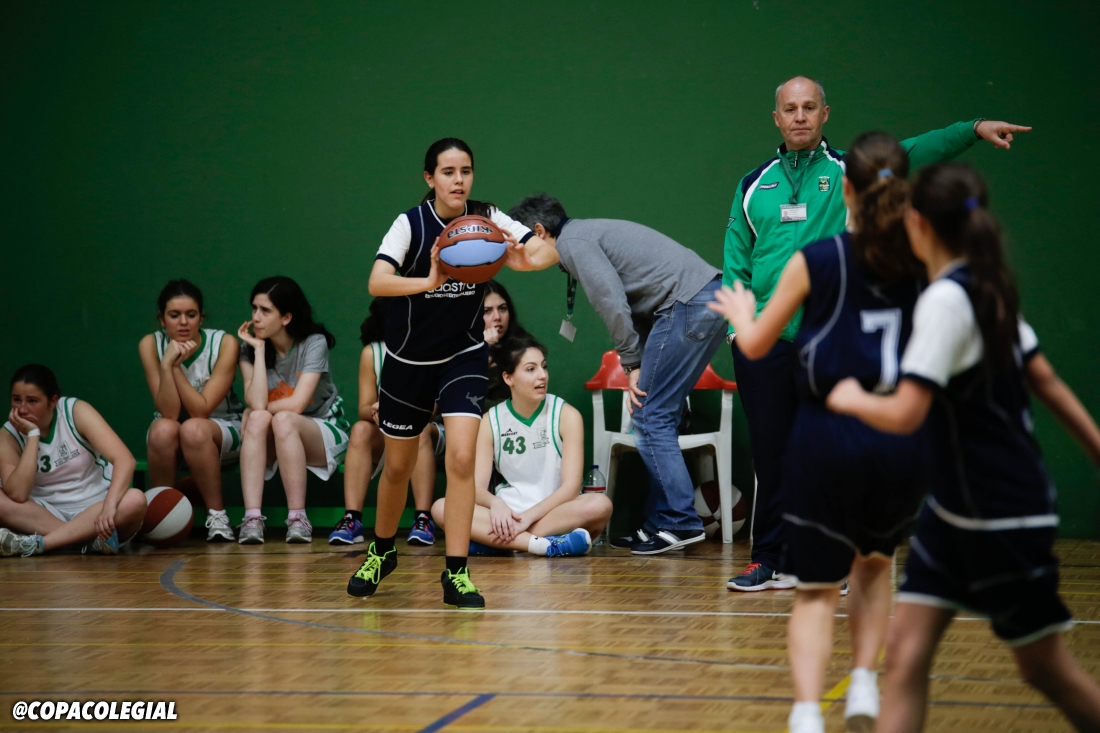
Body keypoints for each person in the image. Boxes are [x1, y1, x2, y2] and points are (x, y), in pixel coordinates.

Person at [723, 75, 1034, 591]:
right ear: (776, 118)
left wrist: (972, 128)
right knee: (772, 456)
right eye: (790, 109)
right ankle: (770, 558)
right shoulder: (754, 184)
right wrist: (740, 331)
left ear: (825, 114)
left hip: (828, 340)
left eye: (809, 107)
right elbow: (736, 260)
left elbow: (912, 151)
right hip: (766, 344)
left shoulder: (851, 172)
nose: (799, 116)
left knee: (837, 455)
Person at [826, 162, 1100, 732]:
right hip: (954, 513)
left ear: (918, 223)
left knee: (1045, 668)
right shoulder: (985, 284)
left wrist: (851, 397)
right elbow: (1047, 382)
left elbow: (906, 412)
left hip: (1001, 513)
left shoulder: (947, 301)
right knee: (904, 656)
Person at [709, 133, 926, 733]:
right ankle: (863, 681)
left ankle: (807, 712)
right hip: (896, 443)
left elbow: (757, 343)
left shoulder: (818, 260)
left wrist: (741, 316)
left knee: (814, 591)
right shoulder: (925, 260)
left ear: (846, 189)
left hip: (827, 439)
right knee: (874, 568)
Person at [345, 137, 553, 609]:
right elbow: (377, 281)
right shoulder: (410, 224)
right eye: (448, 172)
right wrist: (430, 280)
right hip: (408, 362)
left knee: (460, 460)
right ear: (430, 178)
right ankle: (382, 551)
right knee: (397, 467)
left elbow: (544, 254)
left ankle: (457, 572)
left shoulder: (487, 218)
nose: (459, 180)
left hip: (463, 357)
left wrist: (515, 256)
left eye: (466, 171)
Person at [507, 194, 725, 555]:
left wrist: (632, 364)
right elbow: (640, 304)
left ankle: (681, 522)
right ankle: (661, 523)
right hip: (704, 299)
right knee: (658, 415)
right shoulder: (584, 235)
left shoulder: (574, 243)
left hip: (689, 303)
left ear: (539, 232)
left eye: (520, 242)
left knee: (650, 415)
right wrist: (639, 364)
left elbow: (612, 303)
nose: (517, 254)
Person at [432, 336, 611, 557]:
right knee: (442, 507)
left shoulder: (567, 415)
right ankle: (542, 545)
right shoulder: (490, 421)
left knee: (600, 505)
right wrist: (496, 504)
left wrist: (527, 518)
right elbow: (475, 488)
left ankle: (497, 543)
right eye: (531, 369)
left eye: (544, 366)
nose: (542, 375)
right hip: (507, 515)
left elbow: (571, 488)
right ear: (508, 378)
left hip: (554, 513)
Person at [236, 276, 350, 544]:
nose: (256, 317)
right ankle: (252, 518)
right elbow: (257, 403)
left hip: (323, 427)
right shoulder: (248, 348)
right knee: (259, 419)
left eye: (265, 311)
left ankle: (298, 518)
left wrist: (256, 409)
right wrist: (259, 351)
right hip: (279, 430)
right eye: (254, 308)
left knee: (280, 419)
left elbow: (297, 404)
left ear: (286, 317)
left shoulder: (314, 342)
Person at [0, 364, 147, 556]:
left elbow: (125, 460)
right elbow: (18, 494)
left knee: (135, 500)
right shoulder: (8, 434)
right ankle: (85, 542)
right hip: (46, 513)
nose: (22, 409)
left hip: (96, 509)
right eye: (16, 399)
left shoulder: (75, 411)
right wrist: (33, 436)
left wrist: (109, 507)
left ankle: (40, 544)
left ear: (53, 401)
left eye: (32, 401)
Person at [328, 298, 440, 546]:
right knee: (360, 430)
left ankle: (423, 518)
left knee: (419, 430)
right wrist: (379, 411)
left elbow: (431, 409)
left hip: (423, 428)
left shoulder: (430, 347)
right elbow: (364, 408)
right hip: (386, 428)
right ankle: (352, 518)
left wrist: (399, 410)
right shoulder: (373, 352)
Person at [139, 279, 244, 541]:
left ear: (201, 317)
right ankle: (161, 515)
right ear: (162, 320)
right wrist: (166, 365)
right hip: (175, 434)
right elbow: (169, 413)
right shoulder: (150, 344)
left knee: (194, 429)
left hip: (223, 428)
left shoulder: (224, 343)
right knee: (162, 429)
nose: (183, 322)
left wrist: (175, 367)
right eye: (174, 315)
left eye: (191, 314)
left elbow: (201, 411)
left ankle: (217, 516)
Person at [482, 279, 530, 406]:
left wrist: (490, 359)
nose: (497, 317)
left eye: (502, 308)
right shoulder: (456, 349)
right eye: (487, 311)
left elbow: (505, 405)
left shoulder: (523, 348)